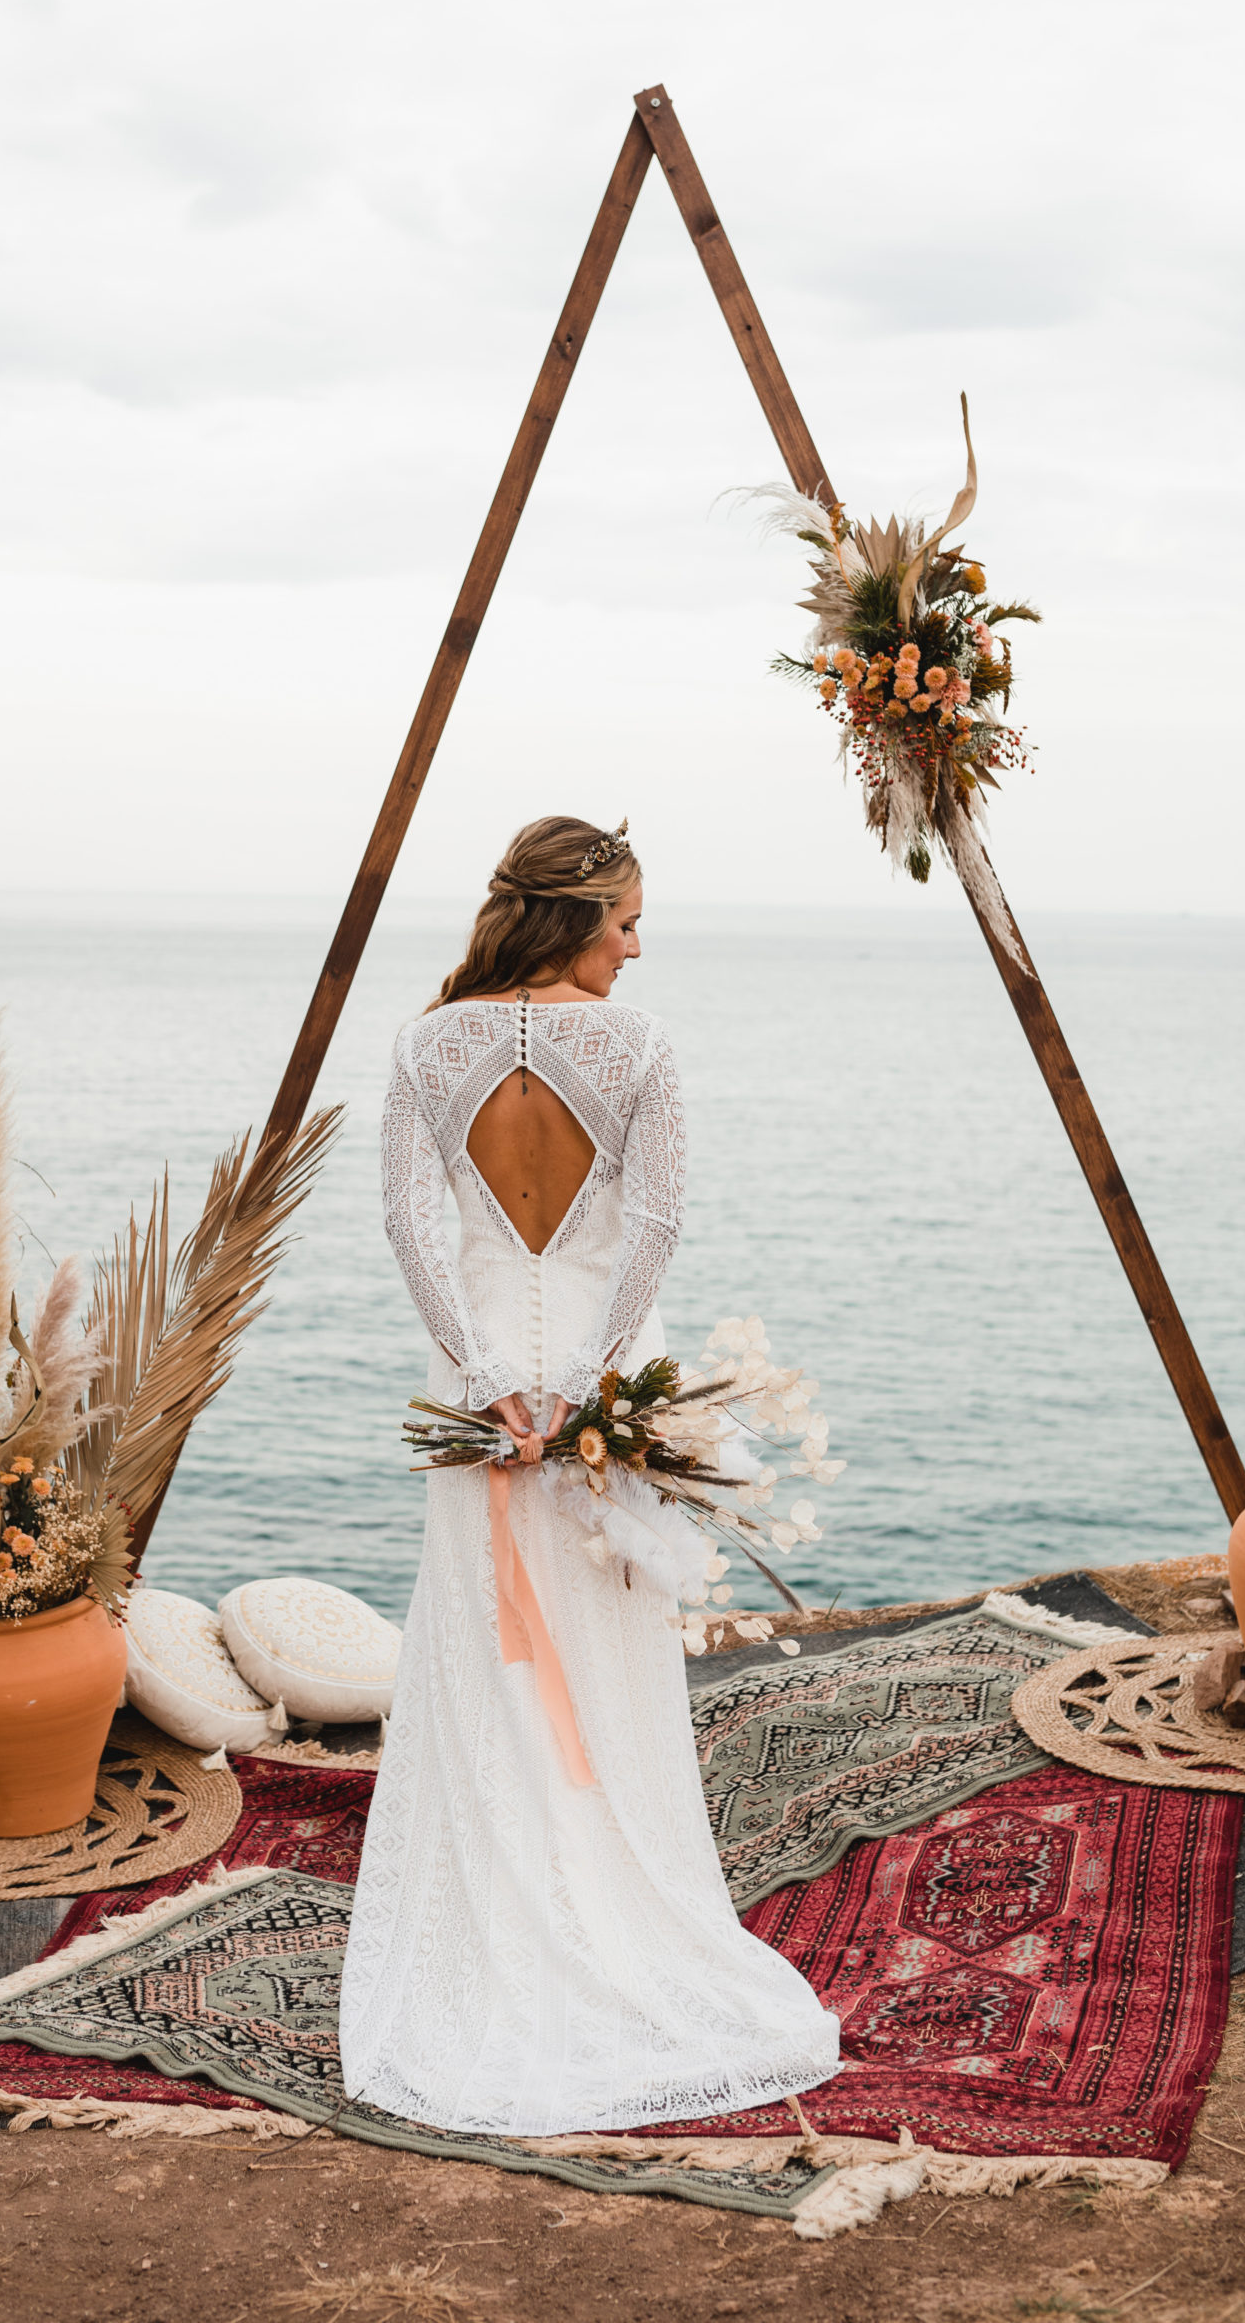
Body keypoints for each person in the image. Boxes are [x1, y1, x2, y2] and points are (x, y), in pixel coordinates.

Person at [338, 814, 841, 2136]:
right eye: (622, 919)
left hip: (484, 1382)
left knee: (488, 1650)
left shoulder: (422, 1043)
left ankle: (507, 1902)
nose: (634, 943)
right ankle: (609, 1898)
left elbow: (409, 1220)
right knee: (605, 1645)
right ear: (571, 919)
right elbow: (657, 1222)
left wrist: (482, 1371)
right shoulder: (641, 1048)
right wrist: (594, 1389)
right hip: (601, 1387)